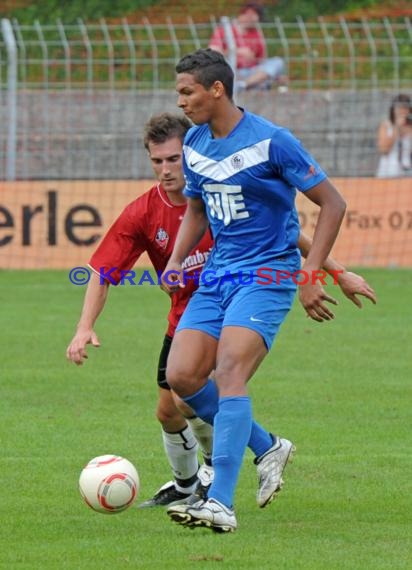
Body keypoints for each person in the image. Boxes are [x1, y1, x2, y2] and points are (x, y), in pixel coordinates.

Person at [162, 48, 347, 533]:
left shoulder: (273, 141)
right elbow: (197, 209)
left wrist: (312, 274)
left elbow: (332, 203)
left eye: (187, 91)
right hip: (218, 275)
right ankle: (267, 446)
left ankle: (220, 502)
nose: (181, 101)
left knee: (229, 374)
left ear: (216, 89)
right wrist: (179, 259)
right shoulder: (196, 143)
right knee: (181, 377)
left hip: (266, 274)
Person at [66, 113, 215, 508]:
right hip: (183, 317)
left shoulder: (221, 195)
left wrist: (327, 269)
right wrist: (84, 327)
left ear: (192, 153)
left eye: (174, 159)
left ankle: (217, 471)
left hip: (227, 311)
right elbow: (103, 271)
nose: (165, 170)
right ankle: (186, 485)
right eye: (157, 161)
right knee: (168, 412)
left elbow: (281, 231)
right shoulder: (143, 212)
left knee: (188, 395)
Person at [208, 2, 287, 91]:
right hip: (232, 70)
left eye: (255, 15)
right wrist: (236, 51)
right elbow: (212, 52)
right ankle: (248, 84)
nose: (252, 18)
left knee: (278, 62)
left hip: (251, 72)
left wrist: (273, 74)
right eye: (249, 14)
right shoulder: (224, 31)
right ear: (241, 14)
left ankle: (243, 85)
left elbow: (262, 60)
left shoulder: (257, 33)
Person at [376, 93, 412, 178]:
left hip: (408, 171)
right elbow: (383, 149)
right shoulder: (386, 125)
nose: (402, 111)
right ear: (393, 110)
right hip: (389, 171)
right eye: (400, 108)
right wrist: (397, 129)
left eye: (405, 108)